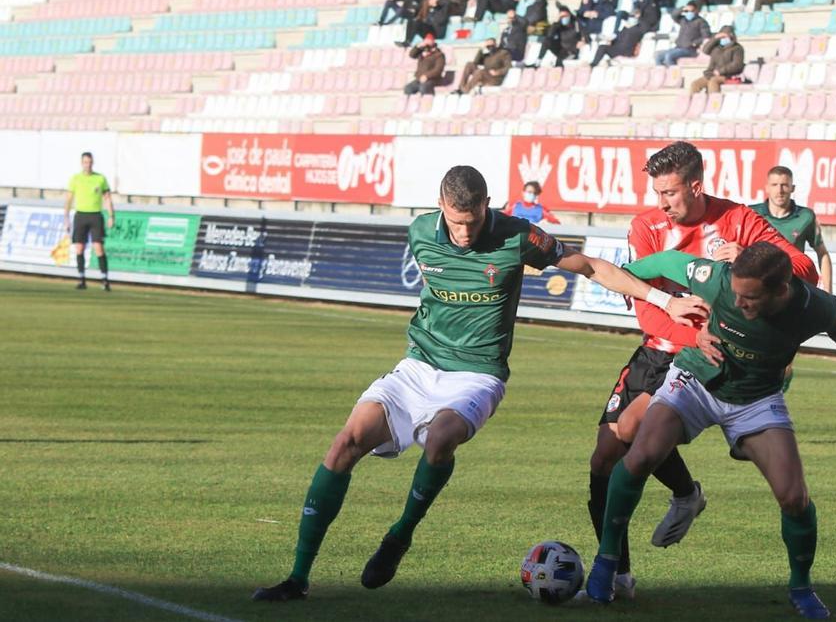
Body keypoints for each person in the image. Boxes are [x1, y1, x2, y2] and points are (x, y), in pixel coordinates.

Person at [251, 166, 708, 603]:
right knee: (344, 443)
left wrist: (665, 300)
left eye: (472, 222)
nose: (465, 234)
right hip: (418, 366)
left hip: (477, 373)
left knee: (441, 439)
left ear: (487, 205)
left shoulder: (517, 234)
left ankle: (400, 533)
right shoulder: (419, 233)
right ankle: (297, 577)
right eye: (455, 222)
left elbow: (589, 266)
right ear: (440, 207)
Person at [584, 242, 836, 619]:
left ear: (782, 290)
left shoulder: (817, 307)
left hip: (757, 399)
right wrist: (636, 277)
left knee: (794, 497)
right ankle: (606, 562)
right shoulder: (719, 279)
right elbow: (666, 262)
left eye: (750, 298)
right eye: (737, 295)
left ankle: (801, 587)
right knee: (640, 454)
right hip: (695, 380)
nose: (739, 303)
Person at [581, 142, 820, 601]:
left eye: (670, 192)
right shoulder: (646, 227)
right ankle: (630, 564)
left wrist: (751, 257)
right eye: (657, 192)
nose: (662, 202)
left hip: (715, 355)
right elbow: (647, 313)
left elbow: (803, 267)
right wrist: (692, 334)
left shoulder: (736, 219)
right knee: (602, 457)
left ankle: (612, 571)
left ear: (695, 185)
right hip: (662, 347)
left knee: (632, 431)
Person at [750, 167, 832, 294]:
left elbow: (823, 253)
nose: (780, 190)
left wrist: (828, 290)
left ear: (792, 188)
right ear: (767, 188)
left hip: (792, 286)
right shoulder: (752, 213)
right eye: (774, 185)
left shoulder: (806, 217)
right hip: (759, 285)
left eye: (784, 185)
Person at [63, 152, 114, 291]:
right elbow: (68, 198)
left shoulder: (100, 179)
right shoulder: (75, 179)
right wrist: (66, 217)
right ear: (82, 163)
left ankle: (104, 279)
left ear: (93, 163)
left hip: (95, 216)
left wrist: (111, 215)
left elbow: (107, 198)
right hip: (80, 215)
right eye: (85, 162)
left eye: (90, 162)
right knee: (79, 247)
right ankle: (81, 278)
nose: (88, 164)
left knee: (98, 247)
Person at [688, 25, 743, 94]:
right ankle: (694, 102)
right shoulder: (716, 47)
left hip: (727, 75)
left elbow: (737, 65)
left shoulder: (737, 48)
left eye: (724, 36)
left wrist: (720, 71)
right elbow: (705, 50)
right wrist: (715, 38)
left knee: (713, 82)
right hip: (711, 74)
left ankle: (714, 102)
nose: (723, 39)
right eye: (721, 37)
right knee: (695, 84)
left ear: (731, 36)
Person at [655, 0, 710, 66]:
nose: (689, 13)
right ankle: (663, 73)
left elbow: (706, 37)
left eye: (691, 11)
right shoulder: (683, 20)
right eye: (687, 11)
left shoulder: (701, 22)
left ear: (696, 11)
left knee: (669, 56)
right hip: (678, 47)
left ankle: (674, 74)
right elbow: (674, 15)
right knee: (658, 56)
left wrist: (694, 43)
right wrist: (682, 8)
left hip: (690, 49)